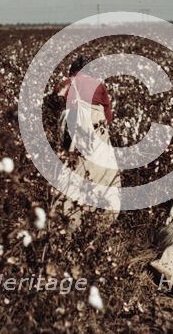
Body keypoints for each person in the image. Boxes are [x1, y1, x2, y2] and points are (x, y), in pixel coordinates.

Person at [54, 56, 120, 232]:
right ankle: (98, 226)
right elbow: (108, 118)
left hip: (74, 135)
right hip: (98, 135)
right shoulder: (99, 85)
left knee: (72, 177)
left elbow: (56, 97)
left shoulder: (69, 82)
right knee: (104, 177)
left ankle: (68, 222)